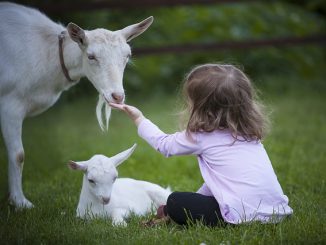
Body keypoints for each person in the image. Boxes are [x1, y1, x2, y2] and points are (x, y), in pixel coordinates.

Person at [109, 64, 293, 227]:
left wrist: (139, 118)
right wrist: (198, 198)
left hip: (241, 216)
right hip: (275, 212)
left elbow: (164, 144)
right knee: (185, 201)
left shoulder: (202, 137)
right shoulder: (250, 136)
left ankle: (174, 212)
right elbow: (221, 182)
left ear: (201, 106)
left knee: (175, 201)